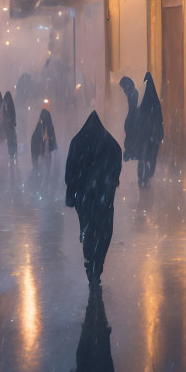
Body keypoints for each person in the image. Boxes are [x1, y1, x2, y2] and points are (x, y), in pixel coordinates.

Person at [64, 112, 122, 286]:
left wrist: (75, 188)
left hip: (85, 199)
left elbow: (70, 172)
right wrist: (109, 183)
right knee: (104, 232)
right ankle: (98, 265)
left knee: (89, 230)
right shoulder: (111, 145)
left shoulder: (77, 143)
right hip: (104, 199)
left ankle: (90, 264)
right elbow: (115, 170)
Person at [136, 73, 164, 187]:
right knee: (150, 157)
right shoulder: (155, 102)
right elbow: (159, 119)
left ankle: (142, 177)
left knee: (142, 157)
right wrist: (159, 134)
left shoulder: (141, 101)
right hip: (152, 136)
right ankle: (147, 176)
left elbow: (137, 119)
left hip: (143, 136)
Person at [118, 75, 139, 167]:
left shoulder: (133, 95)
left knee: (131, 142)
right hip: (132, 125)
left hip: (133, 125)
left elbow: (133, 111)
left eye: (123, 88)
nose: (123, 91)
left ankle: (130, 157)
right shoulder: (132, 94)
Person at [1, 91, 18, 163]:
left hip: (10, 130)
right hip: (6, 130)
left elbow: (12, 120)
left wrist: (8, 121)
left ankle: (12, 159)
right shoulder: (5, 107)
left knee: (11, 145)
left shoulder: (11, 108)